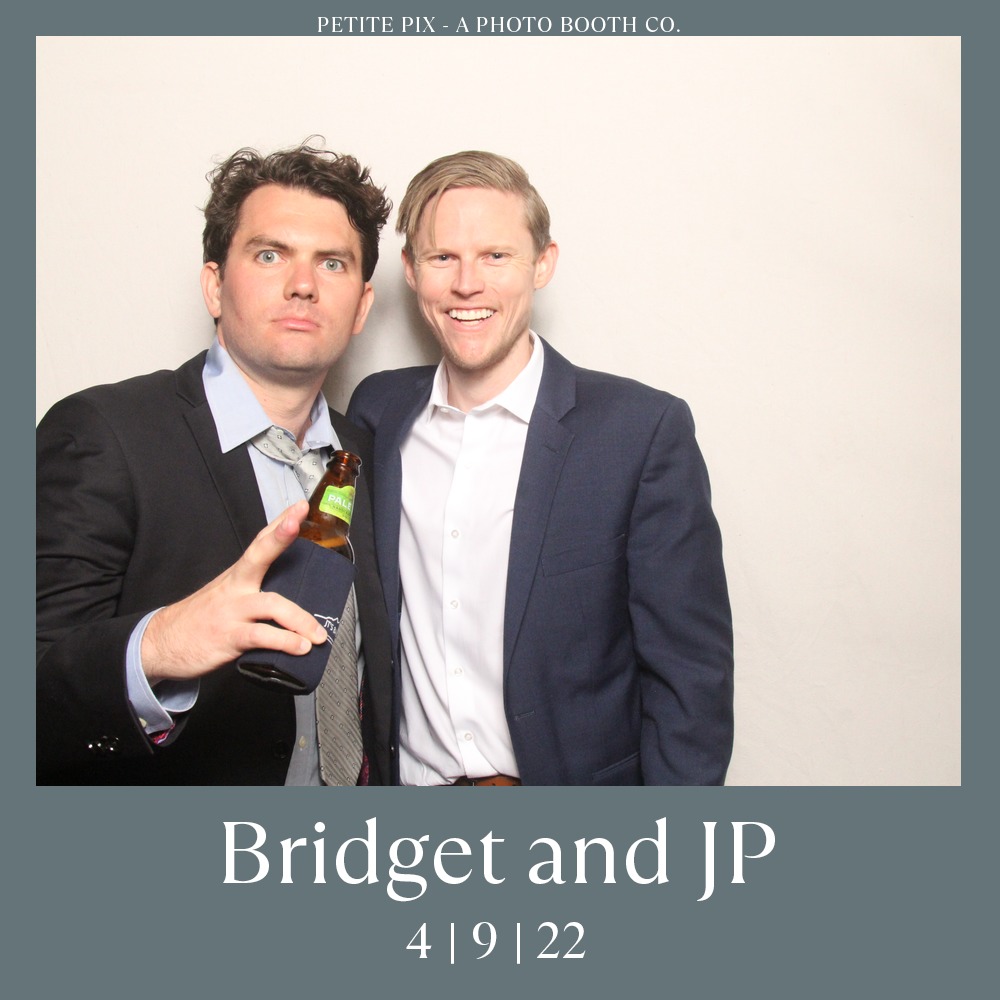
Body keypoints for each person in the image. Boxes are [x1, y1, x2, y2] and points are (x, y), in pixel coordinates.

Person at [349, 151, 734, 786]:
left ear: (543, 263)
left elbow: (690, 677)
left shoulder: (640, 433)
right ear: (411, 271)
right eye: (443, 257)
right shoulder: (377, 413)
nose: (467, 283)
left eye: (496, 255)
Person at [36, 141, 394, 785]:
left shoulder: (368, 454)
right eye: (269, 254)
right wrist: (159, 645)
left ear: (362, 306)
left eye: (332, 263)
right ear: (214, 286)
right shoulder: (104, 434)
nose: (303, 284)